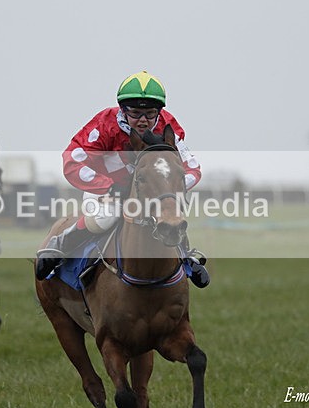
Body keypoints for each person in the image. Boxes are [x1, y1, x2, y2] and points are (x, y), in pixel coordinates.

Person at [35, 70, 209, 287]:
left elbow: (192, 168)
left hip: (149, 191)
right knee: (106, 217)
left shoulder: (168, 125)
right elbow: (72, 161)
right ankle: (61, 242)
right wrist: (108, 187)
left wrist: (170, 190)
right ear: (123, 109)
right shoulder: (105, 124)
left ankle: (186, 257)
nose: (143, 121)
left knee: (169, 212)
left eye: (150, 114)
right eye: (135, 113)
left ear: (159, 112)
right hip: (106, 189)